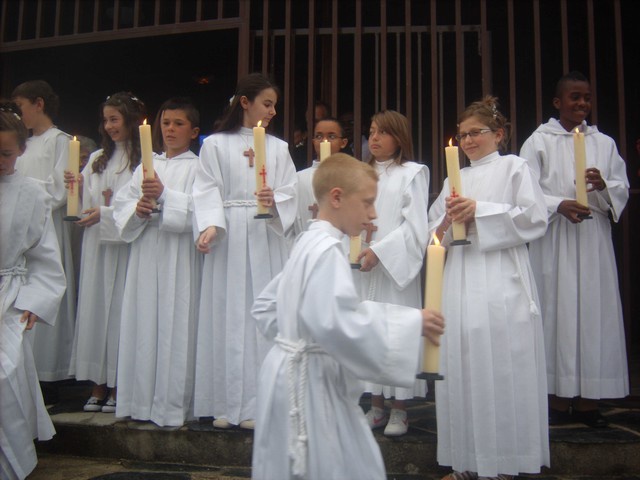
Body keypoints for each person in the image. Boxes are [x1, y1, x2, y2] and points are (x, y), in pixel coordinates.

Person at [251, 153, 445, 480]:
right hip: (310, 383)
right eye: (368, 203)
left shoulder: (308, 242)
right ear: (337, 197)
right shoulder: (327, 251)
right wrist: (414, 323)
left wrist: (294, 341)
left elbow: (269, 307)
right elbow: (336, 323)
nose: (373, 215)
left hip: (286, 373)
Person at [429, 96, 550, 480]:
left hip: (501, 276)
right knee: (463, 361)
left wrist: (479, 211)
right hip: (461, 277)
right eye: (462, 135)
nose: (467, 141)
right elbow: (432, 232)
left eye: (475, 133)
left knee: (501, 365)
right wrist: (446, 225)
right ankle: (467, 463)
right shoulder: (453, 178)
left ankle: (505, 463)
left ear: (498, 134)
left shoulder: (515, 167)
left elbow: (534, 218)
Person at [520, 71, 630, 428]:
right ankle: (555, 396)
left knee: (591, 315)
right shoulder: (538, 141)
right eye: (574, 97)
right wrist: (558, 205)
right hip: (555, 240)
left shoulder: (605, 143)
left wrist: (602, 186)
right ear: (558, 102)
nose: (582, 104)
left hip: (591, 239)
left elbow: (620, 187)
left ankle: (588, 401)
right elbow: (525, 192)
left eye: (586, 97)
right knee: (557, 312)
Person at [193, 73, 297, 429]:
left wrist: (276, 199)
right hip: (230, 237)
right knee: (226, 316)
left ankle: (261, 403)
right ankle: (225, 403)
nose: (271, 112)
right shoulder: (216, 145)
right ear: (244, 102)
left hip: (265, 236)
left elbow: (290, 193)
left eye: (274, 106)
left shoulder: (279, 148)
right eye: (267, 104)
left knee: (261, 319)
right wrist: (209, 224)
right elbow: (205, 188)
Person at [113, 98, 202, 427]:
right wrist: (137, 211)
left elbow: (202, 211)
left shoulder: (199, 167)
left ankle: (173, 405)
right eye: (166, 123)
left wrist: (166, 196)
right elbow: (124, 205)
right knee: (144, 323)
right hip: (147, 252)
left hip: (179, 256)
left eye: (178, 124)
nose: (170, 130)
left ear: (194, 131)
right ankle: (140, 402)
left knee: (176, 324)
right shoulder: (144, 167)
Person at [0, 103, 66, 480]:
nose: (0, 161)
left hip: (10, 296)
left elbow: (45, 257)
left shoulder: (33, 194)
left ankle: (14, 460)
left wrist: (33, 303)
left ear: (21, 151)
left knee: (7, 371)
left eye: (6, 154)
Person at [68, 92, 144, 413]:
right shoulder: (98, 157)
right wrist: (75, 186)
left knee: (120, 314)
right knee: (96, 311)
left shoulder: (143, 161)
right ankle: (97, 383)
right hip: (97, 247)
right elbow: (84, 202)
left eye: (115, 118)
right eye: (106, 119)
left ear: (129, 118)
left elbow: (137, 204)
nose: (109, 125)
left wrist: (108, 212)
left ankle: (118, 382)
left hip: (125, 247)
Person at [359, 110, 430, 436]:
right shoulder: (360, 172)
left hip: (394, 267)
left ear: (398, 138)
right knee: (370, 333)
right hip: (364, 265)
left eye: (382, 133)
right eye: (371, 132)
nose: (374, 138)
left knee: (395, 334)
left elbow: (414, 226)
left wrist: (380, 251)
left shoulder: (412, 173)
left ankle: (399, 408)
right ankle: (375, 404)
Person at [12, 80, 75, 394]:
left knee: (43, 291)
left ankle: (51, 376)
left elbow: (60, 189)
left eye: (21, 107)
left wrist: (24, 195)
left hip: (45, 226)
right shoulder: (19, 143)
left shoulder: (59, 141)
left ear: (39, 104)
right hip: (15, 234)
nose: (18, 114)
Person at [294, 117, 348, 235]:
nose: (324, 141)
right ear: (313, 142)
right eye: (319, 136)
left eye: (331, 136)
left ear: (343, 143)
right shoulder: (298, 178)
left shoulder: (352, 176)